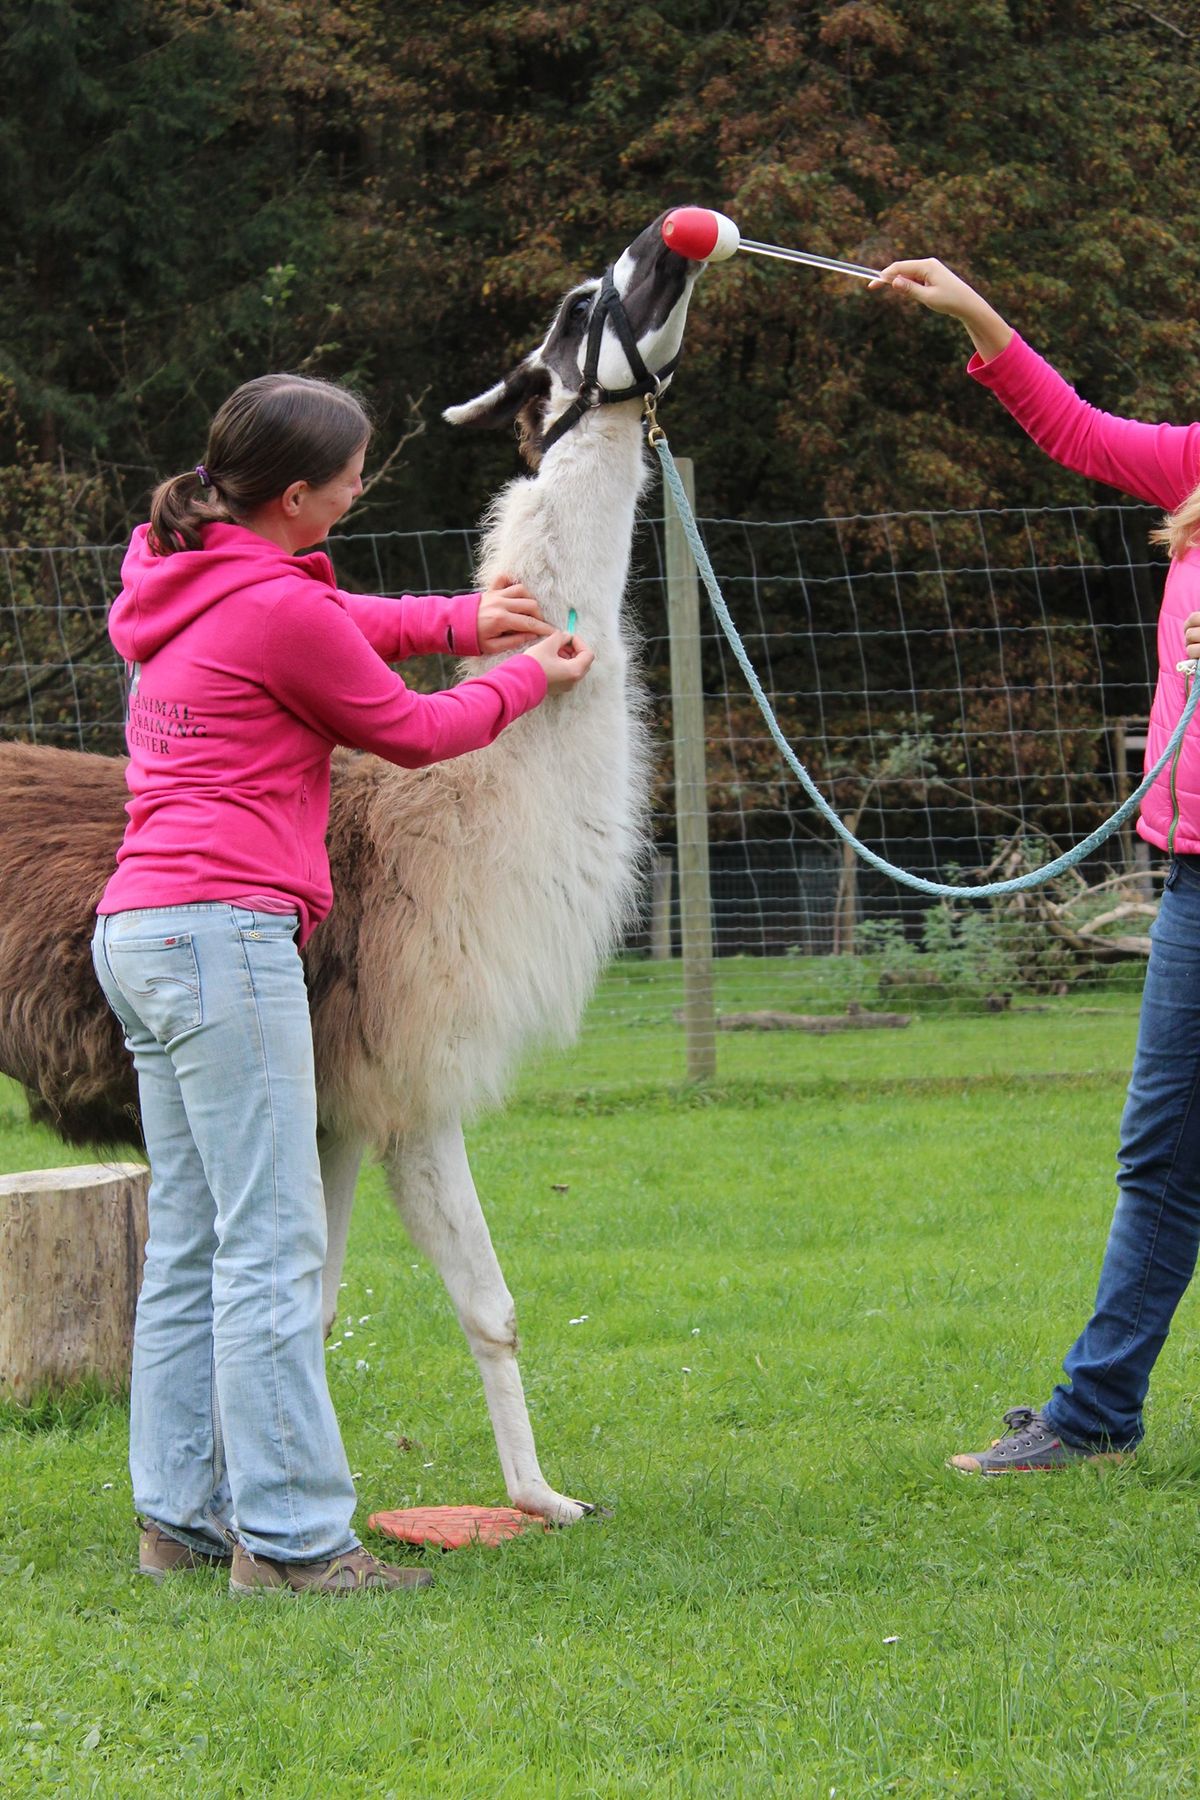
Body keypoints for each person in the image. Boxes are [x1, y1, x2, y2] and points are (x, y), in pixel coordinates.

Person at [91, 372, 592, 1591]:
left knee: (197, 1244)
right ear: (299, 493)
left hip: (141, 930)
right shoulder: (269, 607)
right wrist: (531, 678)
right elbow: (411, 735)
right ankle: (299, 1542)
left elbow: (338, 622)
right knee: (272, 1244)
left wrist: (466, 625)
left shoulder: (185, 574)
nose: (367, 486)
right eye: (357, 473)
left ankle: (182, 1522)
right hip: (223, 938)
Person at [870, 257, 1200, 1473]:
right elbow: (1076, 429)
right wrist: (974, 311)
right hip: (1194, 880)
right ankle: (1097, 1414)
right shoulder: (1197, 463)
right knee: (1163, 1156)